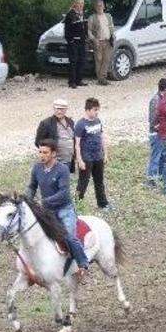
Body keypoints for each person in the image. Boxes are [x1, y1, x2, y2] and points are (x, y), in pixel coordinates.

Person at [27, 139, 89, 280]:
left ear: (53, 153)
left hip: (63, 209)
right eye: (40, 152)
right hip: (47, 211)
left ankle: (83, 263)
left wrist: (43, 201)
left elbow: (63, 193)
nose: (42, 155)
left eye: (45, 152)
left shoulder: (62, 169)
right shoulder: (37, 168)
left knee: (68, 236)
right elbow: (32, 186)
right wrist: (27, 199)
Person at [74, 97, 110, 210]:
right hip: (86, 158)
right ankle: (76, 205)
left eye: (97, 109)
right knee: (83, 183)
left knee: (99, 181)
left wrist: (105, 153)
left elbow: (102, 137)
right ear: (88, 110)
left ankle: (103, 204)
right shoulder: (80, 124)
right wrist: (79, 160)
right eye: (95, 109)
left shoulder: (98, 121)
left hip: (98, 157)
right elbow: (77, 144)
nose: (97, 112)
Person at [35, 98, 76, 172]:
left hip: (68, 159)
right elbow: (38, 142)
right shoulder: (46, 123)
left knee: (65, 182)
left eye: (62, 109)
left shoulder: (70, 121)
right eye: (57, 109)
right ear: (53, 109)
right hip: (54, 161)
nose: (59, 111)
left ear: (66, 109)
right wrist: (49, 154)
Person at [146, 78, 166, 188]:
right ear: (165, 89)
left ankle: (159, 176)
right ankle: (151, 179)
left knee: (163, 156)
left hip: (164, 133)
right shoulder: (156, 100)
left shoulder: (164, 99)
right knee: (155, 157)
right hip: (156, 134)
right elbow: (153, 121)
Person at [88, 0, 115, 85]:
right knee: (99, 60)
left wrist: (113, 36)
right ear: (95, 7)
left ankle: (102, 78)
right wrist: (93, 39)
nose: (99, 7)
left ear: (104, 6)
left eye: (101, 5)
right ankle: (101, 79)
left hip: (108, 41)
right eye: (97, 5)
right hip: (98, 42)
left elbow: (111, 27)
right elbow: (89, 31)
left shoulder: (109, 16)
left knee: (106, 60)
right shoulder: (92, 17)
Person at [63, 0, 88, 88]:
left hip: (82, 41)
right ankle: (71, 82)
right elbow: (67, 30)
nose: (81, 5)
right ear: (75, 4)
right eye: (79, 3)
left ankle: (79, 80)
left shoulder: (83, 14)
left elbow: (85, 27)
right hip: (73, 42)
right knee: (73, 62)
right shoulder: (70, 15)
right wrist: (71, 40)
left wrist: (87, 37)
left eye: (82, 3)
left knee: (82, 61)